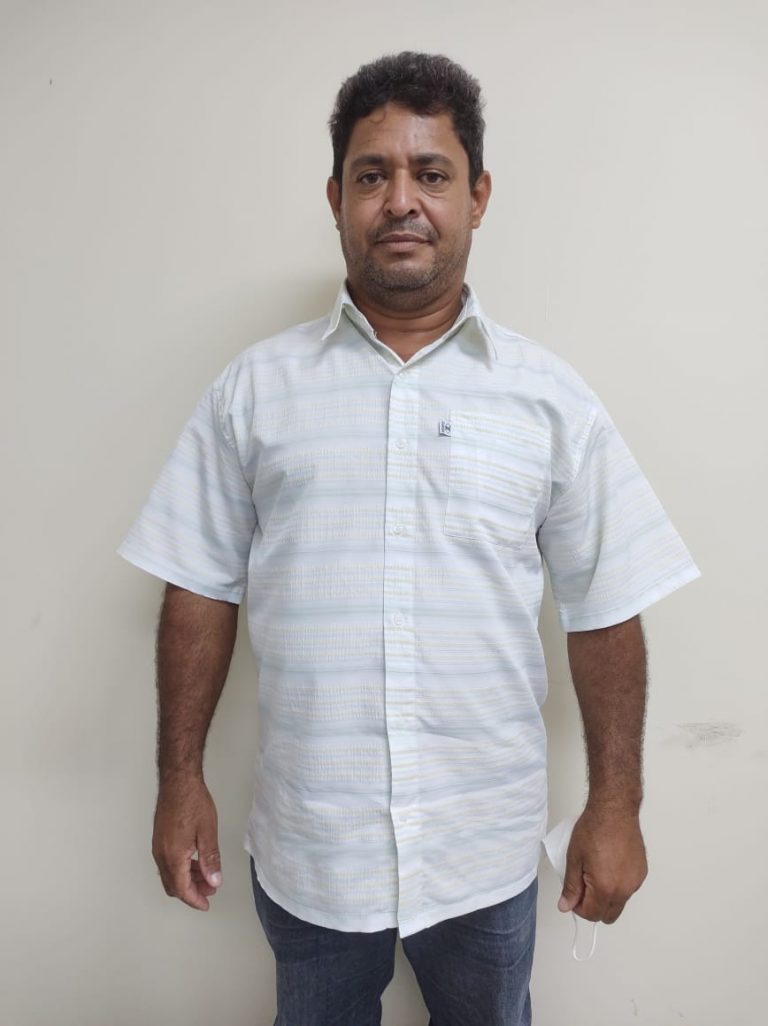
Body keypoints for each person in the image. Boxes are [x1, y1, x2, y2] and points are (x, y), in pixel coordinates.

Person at [119, 51, 701, 1026]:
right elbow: (199, 588)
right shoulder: (253, 392)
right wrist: (179, 781)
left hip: (483, 853)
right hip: (313, 850)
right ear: (336, 198)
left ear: (477, 196)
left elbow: (606, 606)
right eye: (372, 175)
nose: (401, 201)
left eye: (431, 174)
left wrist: (617, 806)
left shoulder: (551, 401)